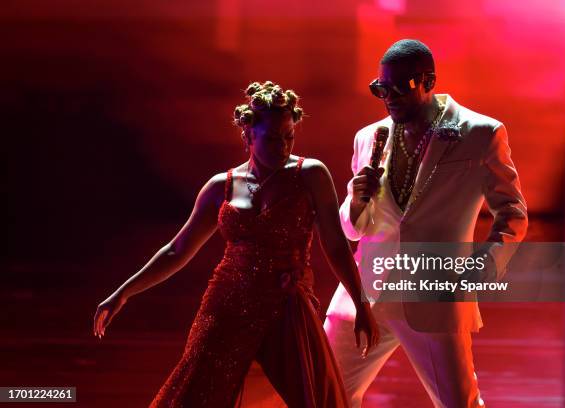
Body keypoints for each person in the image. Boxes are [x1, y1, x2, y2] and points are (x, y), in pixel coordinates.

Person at [93, 81, 380, 408]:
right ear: (247, 135)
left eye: (289, 136)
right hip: (228, 303)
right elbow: (177, 250)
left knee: (315, 398)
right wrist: (123, 292)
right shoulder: (221, 186)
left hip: (288, 306)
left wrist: (361, 303)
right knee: (197, 395)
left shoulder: (311, 175)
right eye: (271, 138)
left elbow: (336, 246)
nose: (282, 146)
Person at [324, 39, 528, 407]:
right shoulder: (369, 137)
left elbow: (513, 213)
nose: (389, 97)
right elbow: (353, 229)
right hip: (367, 292)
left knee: (458, 402)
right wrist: (356, 201)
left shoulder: (480, 133)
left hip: (435, 293)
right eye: (380, 88)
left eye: (400, 87)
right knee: (326, 393)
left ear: (428, 81)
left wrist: (477, 272)